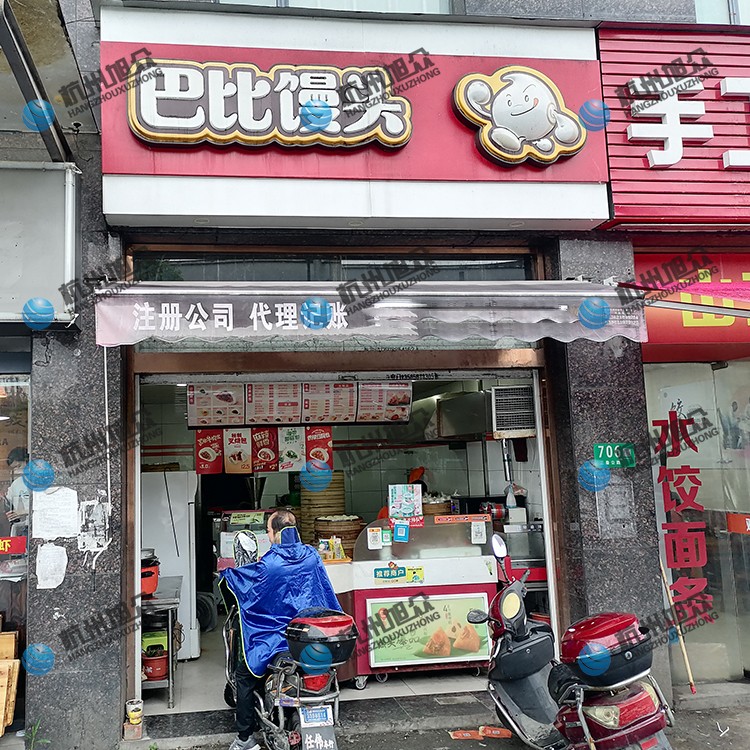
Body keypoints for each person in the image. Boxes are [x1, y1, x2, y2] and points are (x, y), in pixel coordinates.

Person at [220, 510, 341, 750]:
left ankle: (245, 739)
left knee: (244, 676)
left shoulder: (270, 563)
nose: (268, 534)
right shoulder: (311, 555)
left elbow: (248, 586)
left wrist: (227, 574)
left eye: (268, 530)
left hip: (277, 640)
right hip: (311, 636)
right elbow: (324, 591)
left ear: (277, 532)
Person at [4, 448, 29, 532]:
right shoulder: (16, 484)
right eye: (14, 468)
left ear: (27, 461)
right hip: (22, 527)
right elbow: (7, 501)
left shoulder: (42, 482)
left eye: (19, 466)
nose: (17, 470)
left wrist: (22, 512)